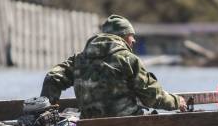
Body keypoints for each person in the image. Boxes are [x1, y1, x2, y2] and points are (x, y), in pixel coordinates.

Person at [40, 14, 187, 119]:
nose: (134, 40)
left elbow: (52, 78)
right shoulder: (129, 60)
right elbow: (153, 98)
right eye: (131, 35)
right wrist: (176, 101)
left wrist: (48, 113)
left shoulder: (79, 59)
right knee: (159, 120)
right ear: (122, 36)